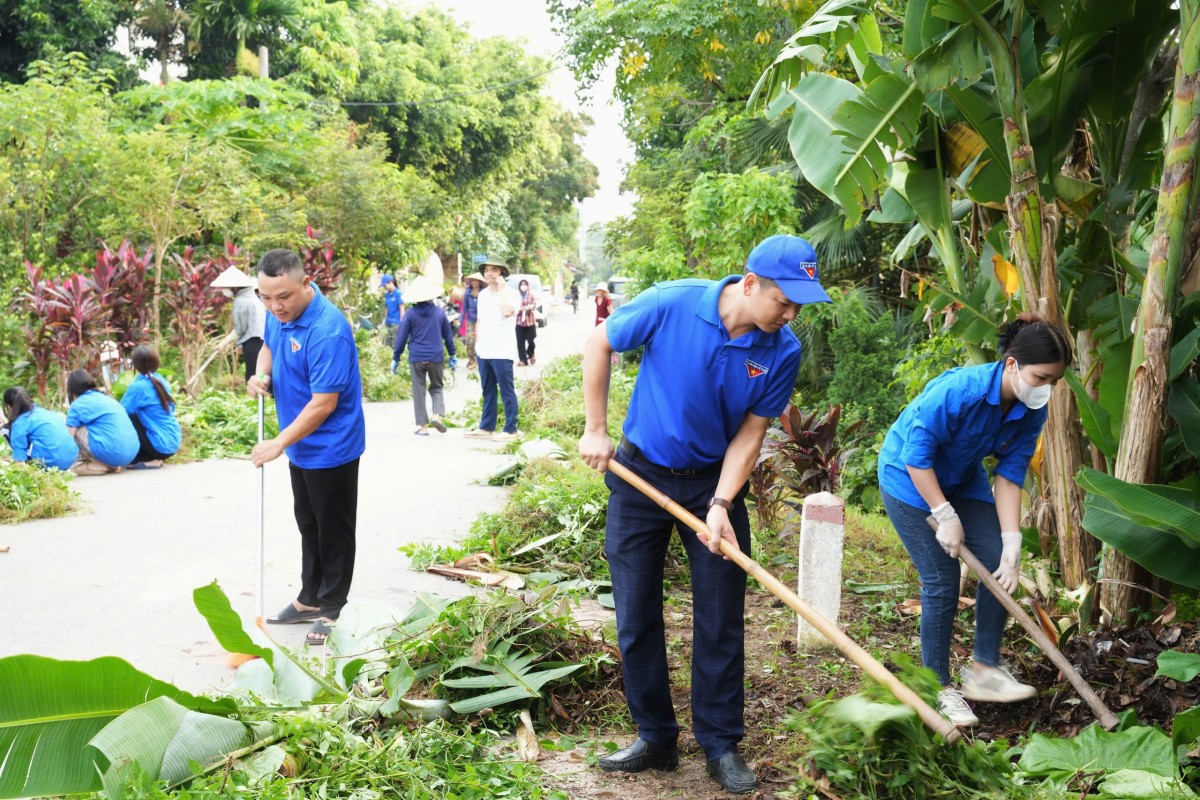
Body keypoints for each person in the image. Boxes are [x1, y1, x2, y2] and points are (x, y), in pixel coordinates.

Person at [578, 234, 831, 794]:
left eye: (798, 307)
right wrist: (596, 428)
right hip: (639, 475)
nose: (790, 315)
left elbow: (751, 431)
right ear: (749, 284)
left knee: (720, 617)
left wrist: (720, 503)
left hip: (714, 486)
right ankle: (655, 737)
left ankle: (719, 744)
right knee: (635, 612)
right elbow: (601, 343)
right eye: (782, 301)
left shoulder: (781, 350)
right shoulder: (673, 303)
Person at [878, 313, 1072, 728]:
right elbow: (916, 456)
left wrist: (1012, 538)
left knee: (997, 560)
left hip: (961, 480)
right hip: (908, 481)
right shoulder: (960, 390)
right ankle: (937, 686)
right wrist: (943, 514)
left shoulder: (1030, 407)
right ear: (1012, 365)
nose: (1046, 388)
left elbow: (1009, 474)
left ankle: (984, 669)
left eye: (1054, 381)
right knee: (942, 580)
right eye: (1041, 377)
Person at [248, 248, 366, 647]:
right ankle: (309, 596)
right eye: (266, 297)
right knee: (308, 522)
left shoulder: (327, 330)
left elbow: (324, 403)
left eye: (283, 296)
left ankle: (333, 605)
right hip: (298, 443)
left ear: (305, 283)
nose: (275, 306)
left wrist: (277, 443)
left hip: (331, 446)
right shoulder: (276, 313)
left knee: (333, 527)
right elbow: (267, 347)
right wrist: (260, 375)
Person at [392, 275, 456, 436]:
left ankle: (423, 428)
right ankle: (436, 416)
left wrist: (396, 357)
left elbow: (401, 337)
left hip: (417, 358)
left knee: (418, 391)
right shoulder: (440, 313)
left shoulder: (410, 313)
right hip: (436, 357)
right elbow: (448, 336)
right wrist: (453, 354)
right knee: (437, 388)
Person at [467, 258, 520, 442]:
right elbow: (480, 320)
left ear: (502, 273)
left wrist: (503, 289)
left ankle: (511, 429)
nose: (490, 273)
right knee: (487, 389)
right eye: (487, 270)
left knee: (506, 389)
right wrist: (477, 345)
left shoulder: (512, 294)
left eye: (494, 270)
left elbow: (506, 312)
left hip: (502, 349)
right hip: (485, 349)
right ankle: (486, 426)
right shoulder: (482, 295)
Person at [65, 369, 139, 475]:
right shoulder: (107, 397)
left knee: (74, 428)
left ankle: (89, 465)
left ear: (72, 390)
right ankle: (111, 464)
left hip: (113, 452)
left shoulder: (77, 405)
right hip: (131, 453)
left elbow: (68, 437)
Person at [120, 344, 181, 468]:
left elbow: (120, 413)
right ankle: (151, 458)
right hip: (173, 441)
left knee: (129, 418)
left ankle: (148, 460)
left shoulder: (138, 387)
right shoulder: (161, 381)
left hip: (159, 446)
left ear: (135, 365)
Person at [2, 386, 78, 471]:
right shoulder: (44, 412)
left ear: (8, 407)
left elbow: (19, 460)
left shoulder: (20, 423)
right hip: (71, 459)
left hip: (51, 463)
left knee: (7, 433)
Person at [211, 266, 266, 383]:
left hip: (252, 342)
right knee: (260, 371)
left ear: (235, 287)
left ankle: (255, 398)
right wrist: (239, 345)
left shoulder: (240, 301)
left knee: (252, 375)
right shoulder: (254, 298)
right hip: (262, 340)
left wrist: (224, 342)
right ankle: (263, 397)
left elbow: (240, 329)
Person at [459, 274, 482, 370]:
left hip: (482, 321)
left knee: (480, 341)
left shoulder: (484, 292)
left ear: (479, 282)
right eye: (472, 281)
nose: (474, 282)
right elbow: (464, 308)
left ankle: (481, 361)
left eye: (476, 281)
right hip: (471, 320)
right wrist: (460, 321)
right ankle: (472, 360)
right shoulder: (467, 293)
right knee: (470, 341)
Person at [515, 277, 538, 366]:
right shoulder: (516, 296)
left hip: (529, 322)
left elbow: (534, 305)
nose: (523, 286)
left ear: (528, 286)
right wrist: (521, 309)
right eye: (521, 284)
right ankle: (523, 360)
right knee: (520, 342)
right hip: (519, 322)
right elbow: (514, 306)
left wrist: (528, 308)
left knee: (531, 341)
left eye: (525, 284)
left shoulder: (531, 295)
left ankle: (531, 353)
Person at [381, 274, 404, 347]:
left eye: (385, 285)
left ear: (390, 282)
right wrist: (384, 321)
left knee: (395, 344)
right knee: (386, 344)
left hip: (396, 323)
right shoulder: (387, 295)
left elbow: (402, 309)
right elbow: (387, 308)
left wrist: (402, 322)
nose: (384, 287)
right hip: (388, 322)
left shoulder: (399, 294)